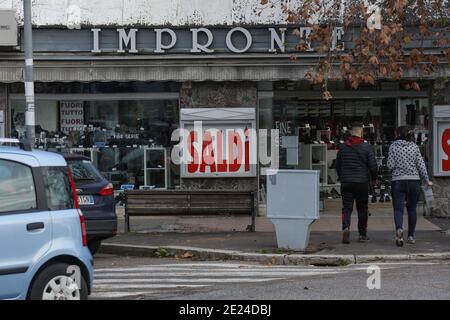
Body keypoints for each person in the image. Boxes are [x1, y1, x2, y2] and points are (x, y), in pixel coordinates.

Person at [387, 126, 432, 246]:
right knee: (412, 209)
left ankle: (399, 229)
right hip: (414, 181)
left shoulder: (393, 146)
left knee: (398, 209)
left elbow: (390, 165)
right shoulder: (414, 147)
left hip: (398, 181)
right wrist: (427, 180)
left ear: (398, 134)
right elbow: (421, 165)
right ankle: (411, 236)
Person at [336, 122, 378, 244]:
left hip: (347, 182)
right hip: (362, 182)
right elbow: (373, 166)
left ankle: (346, 227)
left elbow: (337, 165)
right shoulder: (366, 147)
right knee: (362, 209)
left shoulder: (343, 147)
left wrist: (342, 177)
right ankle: (362, 234)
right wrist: (374, 178)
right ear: (361, 132)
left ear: (351, 132)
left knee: (347, 208)